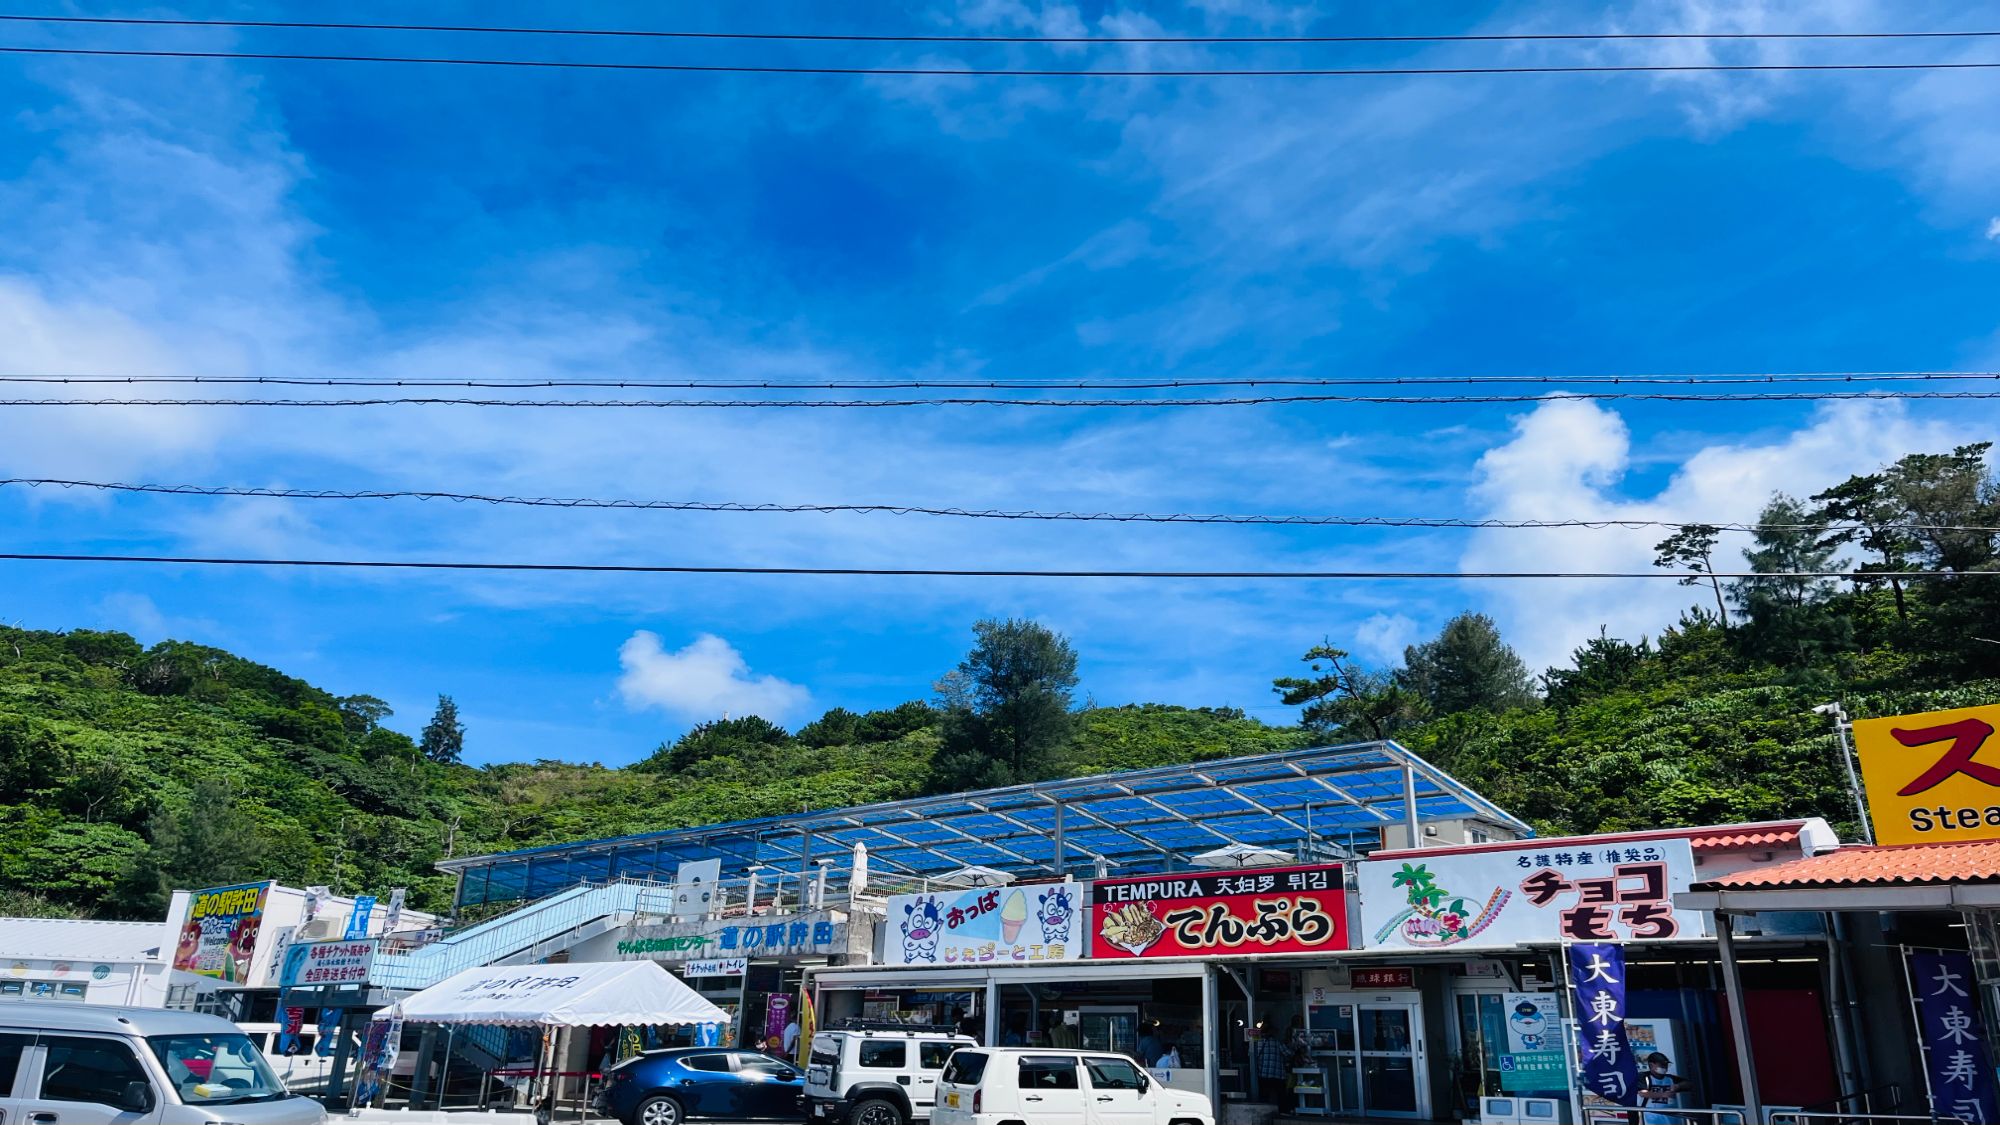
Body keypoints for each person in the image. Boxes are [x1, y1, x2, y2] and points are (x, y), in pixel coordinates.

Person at [1638, 1052, 1691, 1125]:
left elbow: (1689, 1084)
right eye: (1662, 1065)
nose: (1665, 1067)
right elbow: (1643, 1093)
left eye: (1666, 1065)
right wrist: (1663, 1094)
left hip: (1671, 1118)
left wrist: (1678, 1086)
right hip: (1651, 1118)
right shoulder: (1644, 1077)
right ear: (1651, 1065)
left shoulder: (1670, 1078)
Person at [1253, 1024, 1293, 1113]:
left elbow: (1252, 1056)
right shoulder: (1278, 1042)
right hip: (1278, 1074)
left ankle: (1264, 1112)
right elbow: (1288, 1054)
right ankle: (1283, 1112)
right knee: (1281, 1095)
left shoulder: (1259, 1043)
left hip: (1264, 1073)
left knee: (1264, 1096)